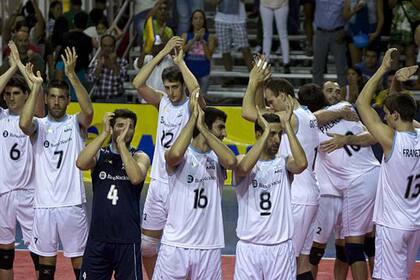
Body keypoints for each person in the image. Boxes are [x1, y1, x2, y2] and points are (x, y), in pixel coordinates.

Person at [242, 58, 320, 280]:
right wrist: (261, 85)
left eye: (271, 101)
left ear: (284, 97)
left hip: (297, 198)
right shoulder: (307, 115)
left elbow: (249, 112)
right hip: (311, 195)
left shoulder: (291, 119)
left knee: (287, 264)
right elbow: (260, 112)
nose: (269, 106)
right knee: (302, 264)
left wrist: (252, 81)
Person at [19, 47, 93, 280]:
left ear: (68, 100)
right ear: (47, 99)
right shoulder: (39, 126)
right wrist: (36, 88)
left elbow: (88, 110)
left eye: (62, 97)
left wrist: (71, 76)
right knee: (46, 266)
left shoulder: (75, 123)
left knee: (80, 263)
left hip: (72, 204)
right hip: (44, 206)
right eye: (52, 96)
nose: (57, 101)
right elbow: (23, 124)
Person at [132, 37, 201, 279]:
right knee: (147, 247)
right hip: (158, 184)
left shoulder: (190, 106)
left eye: (175, 87)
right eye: (168, 87)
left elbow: (197, 92)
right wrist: (161, 54)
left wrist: (181, 63)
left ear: (182, 86)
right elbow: (137, 83)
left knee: (180, 245)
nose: (171, 92)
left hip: (180, 185)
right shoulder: (162, 102)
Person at [300, 82, 380, 280]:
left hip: (353, 186)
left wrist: (346, 138)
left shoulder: (344, 109)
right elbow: (310, 118)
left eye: (337, 91)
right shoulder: (319, 119)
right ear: (321, 97)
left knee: (352, 247)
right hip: (335, 190)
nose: (335, 94)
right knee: (330, 250)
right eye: (329, 91)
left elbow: (372, 134)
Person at [356, 48, 420, 280]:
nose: (383, 118)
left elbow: (361, 104)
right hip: (414, 224)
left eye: (385, 114)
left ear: (393, 116)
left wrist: (383, 69)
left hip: (392, 225)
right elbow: (405, 112)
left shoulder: (391, 141)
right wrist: (395, 84)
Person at [153, 104, 237, 279]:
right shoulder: (181, 155)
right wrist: (195, 121)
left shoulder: (218, 158)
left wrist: (204, 131)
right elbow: (174, 155)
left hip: (209, 246)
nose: (225, 133)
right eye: (220, 127)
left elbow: (231, 162)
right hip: (176, 244)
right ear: (205, 126)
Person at [233, 105, 308, 279]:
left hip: (280, 248)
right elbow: (243, 168)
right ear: (259, 134)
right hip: (249, 247)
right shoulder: (242, 160)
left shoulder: (284, 163)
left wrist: (288, 128)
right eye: (271, 134)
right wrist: (266, 132)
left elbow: (302, 164)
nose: (276, 140)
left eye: (278, 134)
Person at [76, 110, 150, 279]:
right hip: (99, 238)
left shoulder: (140, 156)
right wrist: (104, 134)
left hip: (127, 240)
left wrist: (122, 145)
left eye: (130, 127)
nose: (126, 130)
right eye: (121, 126)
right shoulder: (100, 154)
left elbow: (136, 177)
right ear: (112, 127)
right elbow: (81, 163)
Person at [0, 46, 40, 280]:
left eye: (16, 93)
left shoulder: (35, 120)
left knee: (38, 251)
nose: (11, 97)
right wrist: (13, 66)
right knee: (4, 254)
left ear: (25, 95)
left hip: (29, 194)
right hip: (4, 192)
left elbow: (37, 89)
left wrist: (25, 72)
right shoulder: (2, 117)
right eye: (8, 94)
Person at [182, 9, 217, 97]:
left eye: (201, 18)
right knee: (186, 98)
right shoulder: (185, 35)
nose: (198, 21)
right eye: (196, 18)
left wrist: (202, 40)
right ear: (192, 21)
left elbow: (209, 56)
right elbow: (182, 51)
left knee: (202, 98)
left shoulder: (210, 37)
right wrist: (194, 39)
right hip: (189, 71)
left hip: (204, 72)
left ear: (204, 21)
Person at [312, 0, 347, 86]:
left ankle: (343, 94)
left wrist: (346, 30)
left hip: (338, 32)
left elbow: (348, 13)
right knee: (317, 66)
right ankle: (316, 94)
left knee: (341, 66)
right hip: (320, 33)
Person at [88, 34, 128, 101]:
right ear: (101, 47)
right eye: (105, 46)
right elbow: (92, 80)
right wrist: (99, 65)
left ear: (114, 47)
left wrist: (115, 63)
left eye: (110, 46)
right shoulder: (95, 62)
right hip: (99, 100)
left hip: (117, 99)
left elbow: (122, 79)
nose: (107, 49)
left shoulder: (122, 62)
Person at [259, 0, 290, 73]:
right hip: (265, 4)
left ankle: (286, 63)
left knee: (283, 35)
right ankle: (265, 63)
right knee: (267, 35)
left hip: (282, 4)